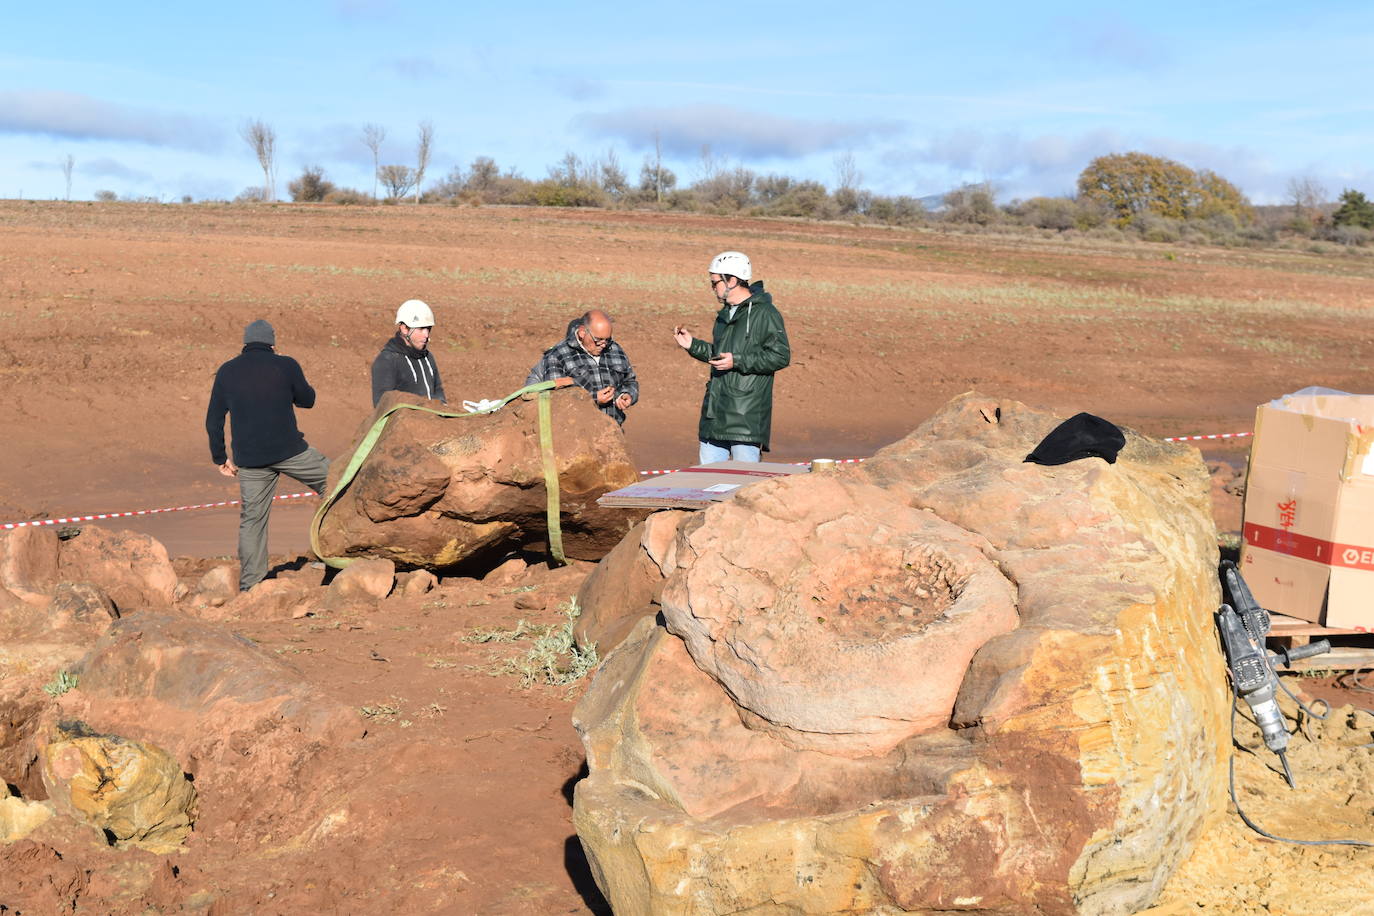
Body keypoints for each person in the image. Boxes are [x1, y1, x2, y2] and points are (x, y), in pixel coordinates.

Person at [205, 319, 330, 592]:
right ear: (272, 343)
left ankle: (251, 587)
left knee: (253, 521)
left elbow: (213, 419)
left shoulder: (227, 371)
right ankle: (333, 557)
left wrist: (219, 457)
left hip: (250, 460)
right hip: (291, 452)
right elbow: (308, 399)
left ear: (246, 343)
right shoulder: (286, 364)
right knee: (336, 484)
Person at [673, 251, 790, 463]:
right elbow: (720, 357)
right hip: (714, 417)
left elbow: (780, 356)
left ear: (732, 281)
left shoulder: (766, 313)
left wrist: (738, 360)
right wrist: (692, 345)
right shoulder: (724, 315)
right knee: (707, 488)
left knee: (743, 487)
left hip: (746, 421)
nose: (712, 288)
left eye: (715, 282)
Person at [525, 309, 639, 425]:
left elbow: (630, 381)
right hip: (579, 434)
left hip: (613, 431)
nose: (604, 345)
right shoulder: (557, 355)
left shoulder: (615, 349)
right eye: (598, 340)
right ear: (582, 333)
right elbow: (555, 399)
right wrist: (593, 398)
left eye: (607, 339)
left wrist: (627, 394)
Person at [371, 299, 447, 406]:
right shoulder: (387, 360)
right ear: (404, 329)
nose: (426, 335)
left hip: (432, 421)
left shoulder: (428, 357)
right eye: (421, 329)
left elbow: (438, 392)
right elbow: (382, 407)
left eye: (428, 329)